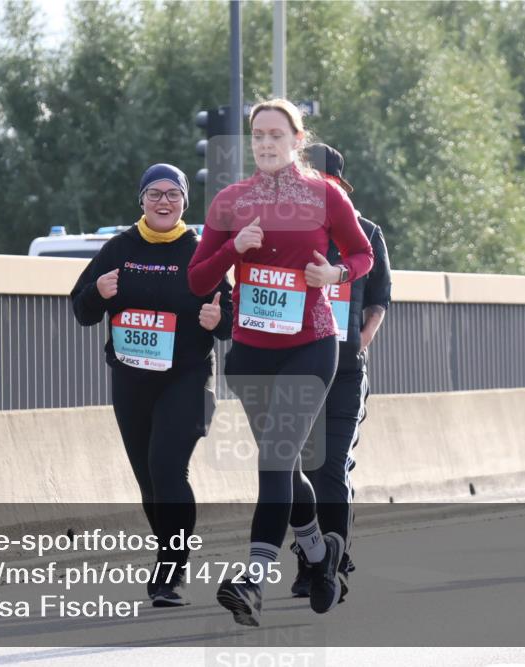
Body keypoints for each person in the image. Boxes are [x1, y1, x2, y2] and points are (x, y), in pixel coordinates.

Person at [188, 99, 374, 626]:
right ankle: (320, 555)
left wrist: (333, 277)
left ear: (297, 139)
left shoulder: (323, 194)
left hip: (311, 347)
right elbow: (198, 280)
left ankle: (253, 579)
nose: (266, 142)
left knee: (273, 458)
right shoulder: (231, 200)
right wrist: (233, 251)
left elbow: (363, 256)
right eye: (258, 134)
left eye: (276, 133)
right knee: (286, 466)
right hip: (249, 354)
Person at [72, 163, 233, 607]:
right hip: (131, 381)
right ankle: (169, 555)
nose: (164, 202)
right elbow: (81, 311)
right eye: (154, 194)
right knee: (148, 480)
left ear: (184, 201)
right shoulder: (118, 249)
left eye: (173, 194)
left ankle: (171, 571)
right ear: (141, 201)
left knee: (167, 468)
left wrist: (219, 319)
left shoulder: (202, 250)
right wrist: (98, 294)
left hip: (186, 378)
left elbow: (231, 319)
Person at [288, 143, 392, 603]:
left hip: (345, 371)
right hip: (295, 366)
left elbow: (379, 301)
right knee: (296, 470)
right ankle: (309, 560)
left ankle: (333, 561)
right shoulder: (286, 232)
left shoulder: (366, 232)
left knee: (331, 468)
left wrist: (360, 341)